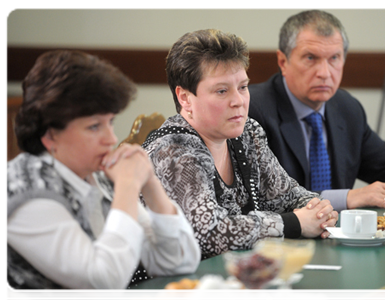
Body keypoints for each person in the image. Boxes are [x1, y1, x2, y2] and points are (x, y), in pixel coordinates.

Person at [5, 50, 200, 300]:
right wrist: (129, 186)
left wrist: (150, 183)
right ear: (51, 134)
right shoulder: (22, 189)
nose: (112, 139)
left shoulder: (96, 174)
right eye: (94, 126)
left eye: (111, 122)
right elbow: (105, 281)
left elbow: (178, 262)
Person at [142, 29, 338, 260]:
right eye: (222, 91)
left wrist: (318, 210)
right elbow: (209, 234)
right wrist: (294, 223)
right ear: (185, 98)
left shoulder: (247, 132)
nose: (238, 101)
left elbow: (288, 194)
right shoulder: (172, 149)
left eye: (243, 87)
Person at [249, 10, 385, 213]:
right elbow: (264, 198)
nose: (324, 73)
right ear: (283, 62)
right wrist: (347, 197)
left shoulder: (347, 108)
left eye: (334, 58)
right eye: (310, 58)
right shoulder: (252, 109)